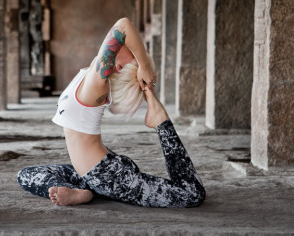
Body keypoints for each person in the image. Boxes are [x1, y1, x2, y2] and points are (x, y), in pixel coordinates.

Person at [17, 17, 205, 208]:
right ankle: (84, 192)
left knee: (191, 194)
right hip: (93, 174)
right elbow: (120, 34)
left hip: (108, 176)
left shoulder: (97, 83)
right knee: (26, 175)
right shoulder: (91, 72)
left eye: (131, 52)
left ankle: (161, 121)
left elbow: (123, 26)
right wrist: (142, 64)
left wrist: (144, 66)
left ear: (118, 67)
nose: (127, 46)